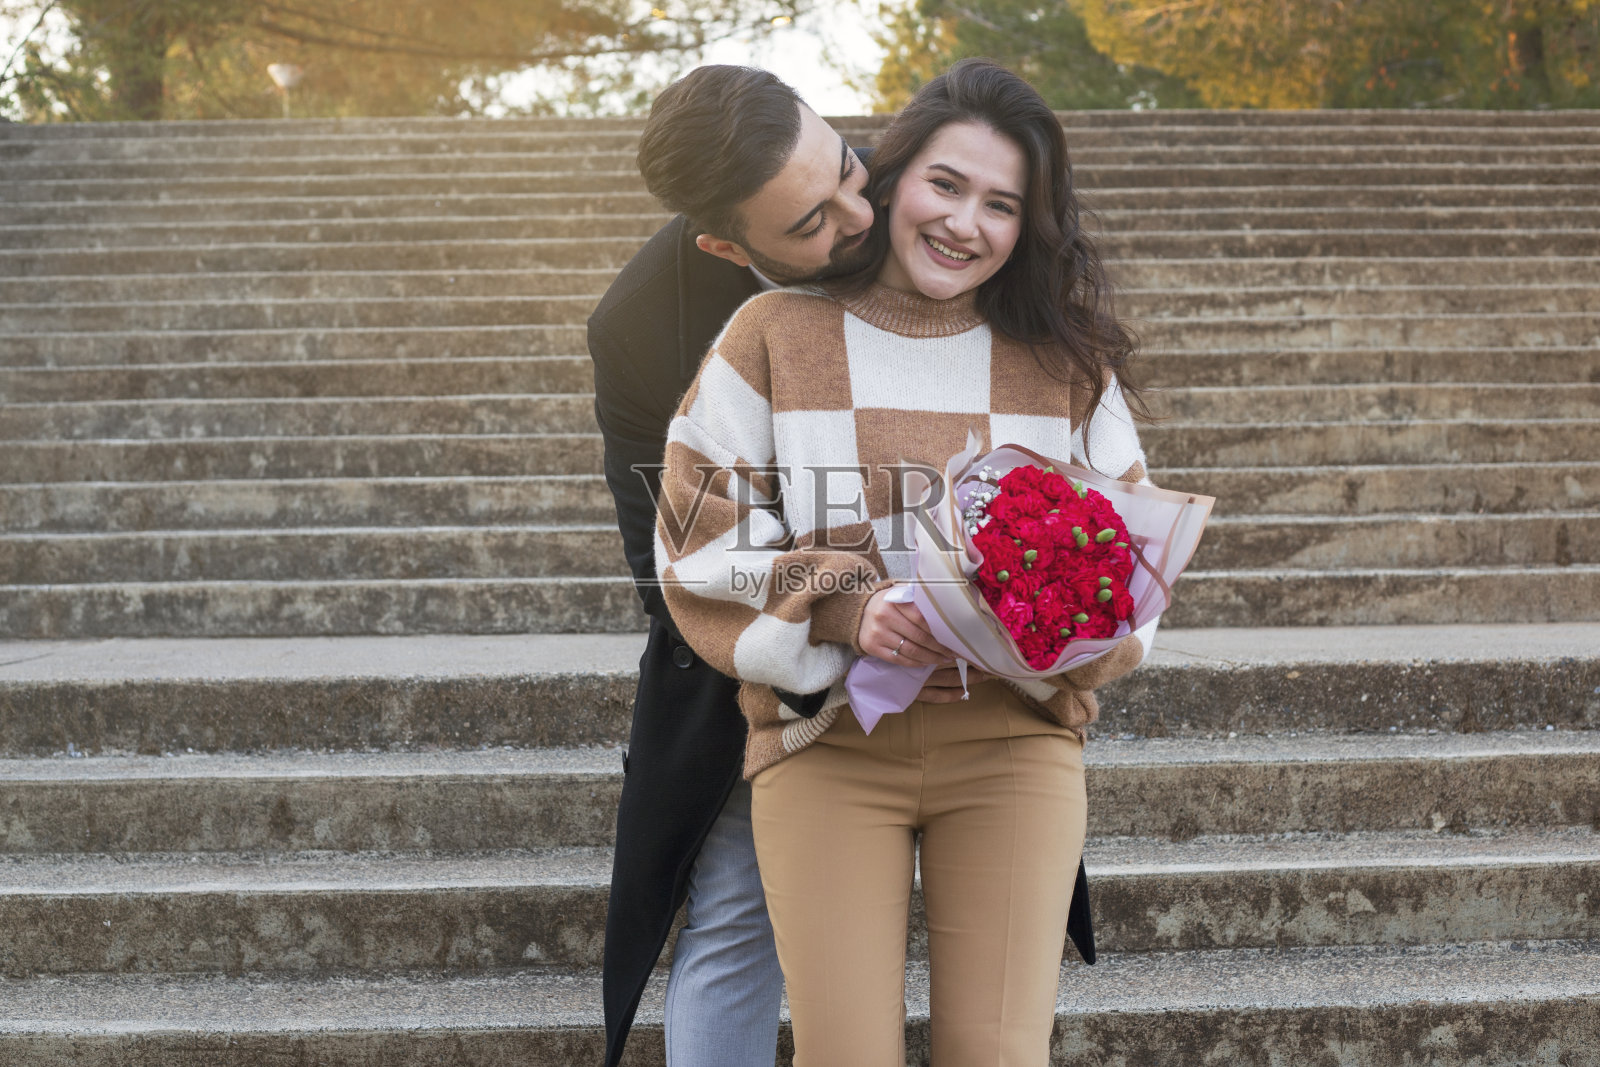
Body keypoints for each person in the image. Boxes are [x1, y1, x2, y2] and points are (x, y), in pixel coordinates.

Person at [654, 59, 1157, 1064]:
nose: (966, 221)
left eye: (1002, 203)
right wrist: (847, 609)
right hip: (829, 750)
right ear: (890, 178)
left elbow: (1130, 571)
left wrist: (1028, 619)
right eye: (945, 183)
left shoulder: (1066, 362)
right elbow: (698, 543)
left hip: (1013, 746)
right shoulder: (772, 333)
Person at [587, 64, 971, 1067]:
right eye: (810, 223)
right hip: (770, 650)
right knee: (731, 914)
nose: (861, 216)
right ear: (724, 244)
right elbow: (666, 561)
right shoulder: (640, 329)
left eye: (851, 167)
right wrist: (834, 622)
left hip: (969, 618)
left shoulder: (914, 195)